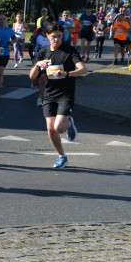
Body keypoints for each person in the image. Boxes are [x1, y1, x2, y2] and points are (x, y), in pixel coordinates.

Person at [30, 21, 87, 169]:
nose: (57, 39)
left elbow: (83, 70)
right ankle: (62, 156)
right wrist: (38, 65)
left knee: (59, 127)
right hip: (49, 94)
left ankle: (68, 124)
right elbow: (32, 76)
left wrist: (66, 73)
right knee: (50, 129)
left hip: (65, 94)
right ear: (47, 35)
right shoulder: (43, 52)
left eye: (60, 36)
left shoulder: (69, 51)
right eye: (54, 36)